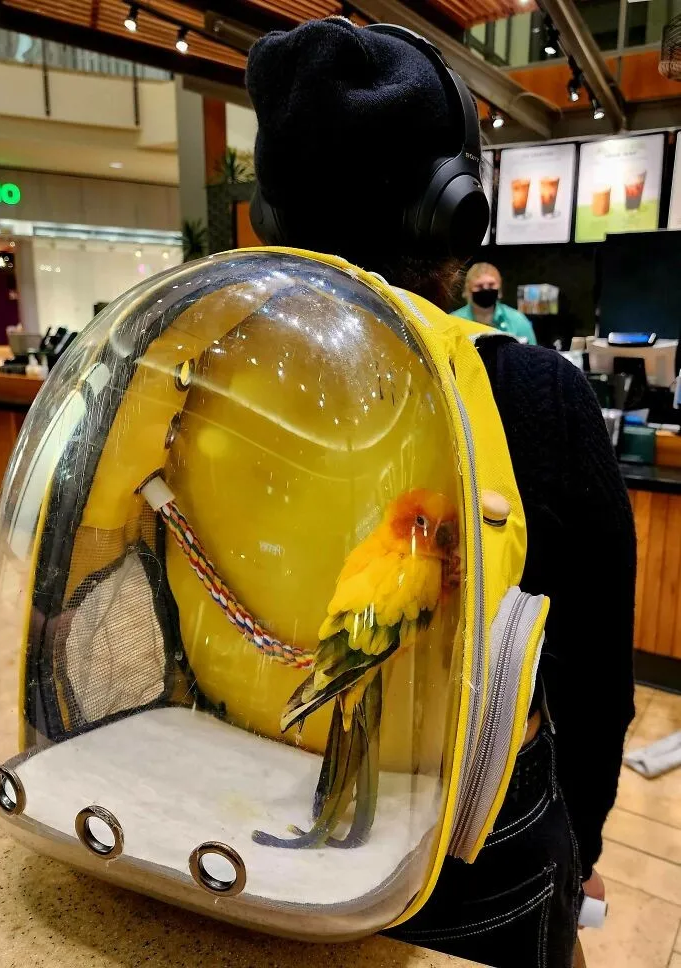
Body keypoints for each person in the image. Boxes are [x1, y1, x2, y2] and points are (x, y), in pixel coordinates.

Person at [246, 18, 635, 968]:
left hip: (236, 823)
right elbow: (595, 681)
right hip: (468, 868)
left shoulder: (207, 373)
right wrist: (578, 844)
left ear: (270, 219)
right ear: (452, 213)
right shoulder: (537, 398)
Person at [453, 262, 537, 344]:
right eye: (479, 286)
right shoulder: (454, 322)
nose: (486, 289)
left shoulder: (517, 320)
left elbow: (532, 352)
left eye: (491, 285)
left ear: (499, 288)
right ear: (468, 290)